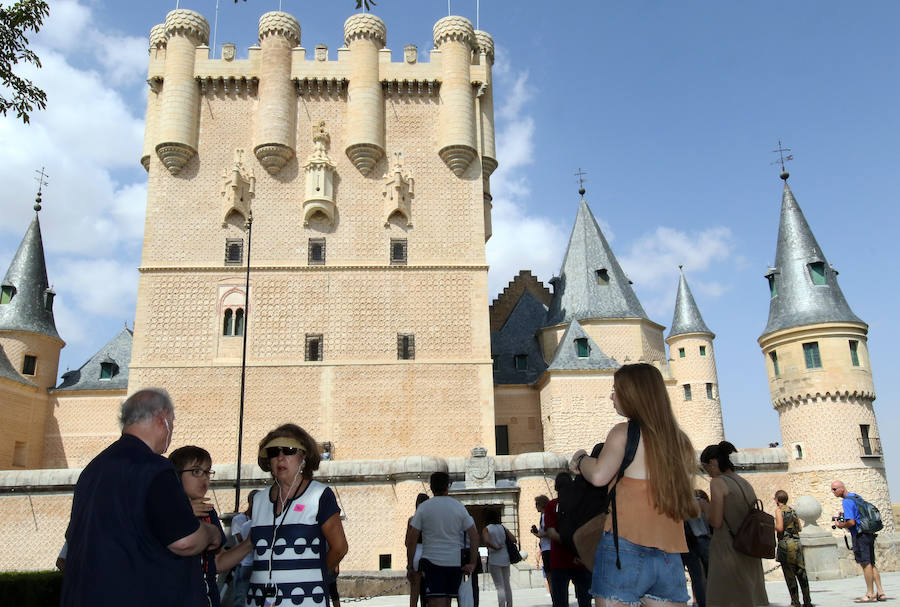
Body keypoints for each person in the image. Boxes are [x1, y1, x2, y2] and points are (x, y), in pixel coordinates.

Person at [61, 388, 223, 607]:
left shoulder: (92, 470)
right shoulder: (153, 469)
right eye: (172, 422)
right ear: (162, 418)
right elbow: (185, 542)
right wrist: (211, 533)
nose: (171, 430)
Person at [570, 363, 699, 607]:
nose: (612, 396)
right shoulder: (679, 440)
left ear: (633, 394)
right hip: (670, 552)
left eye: (616, 390)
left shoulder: (623, 433)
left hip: (624, 546)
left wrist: (580, 459)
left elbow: (599, 475)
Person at [217, 423, 349, 606]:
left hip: (306, 601)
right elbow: (249, 546)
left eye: (288, 450)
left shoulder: (320, 495)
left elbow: (340, 548)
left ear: (303, 457)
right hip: (259, 600)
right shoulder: (260, 500)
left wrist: (311, 576)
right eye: (274, 452)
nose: (280, 457)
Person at [700, 441, 768, 607]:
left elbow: (716, 521)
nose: (707, 474)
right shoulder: (745, 482)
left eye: (705, 468)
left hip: (728, 551)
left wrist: (703, 506)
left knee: (725, 600)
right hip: (750, 549)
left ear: (713, 463)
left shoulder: (718, 482)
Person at [405, 471, 479, 607]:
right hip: (454, 563)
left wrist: (410, 566)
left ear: (431, 488)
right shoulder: (458, 507)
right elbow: (474, 535)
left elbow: (412, 540)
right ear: (447, 486)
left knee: (437, 602)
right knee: (447, 602)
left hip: (432, 563)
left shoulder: (423, 508)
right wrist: (473, 563)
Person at [170, 445, 228, 607]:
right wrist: (185, 514)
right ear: (176, 475)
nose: (204, 478)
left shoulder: (208, 512)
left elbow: (218, 561)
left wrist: (249, 543)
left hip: (206, 595)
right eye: (196, 472)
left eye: (207, 472)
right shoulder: (164, 510)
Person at [831, 480, 887, 603]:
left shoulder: (846, 501)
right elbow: (859, 515)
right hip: (869, 533)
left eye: (834, 489)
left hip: (860, 535)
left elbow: (851, 522)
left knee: (865, 563)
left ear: (842, 488)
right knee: (871, 563)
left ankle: (870, 594)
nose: (833, 492)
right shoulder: (856, 497)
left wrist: (840, 525)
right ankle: (881, 592)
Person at [543, 473, 591, 607]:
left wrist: (565, 542)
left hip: (558, 560)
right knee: (585, 600)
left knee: (560, 601)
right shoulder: (581, 504)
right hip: (580, 559)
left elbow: (551, 532)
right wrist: (575, 548)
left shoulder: (551, 505)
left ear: (556, 487)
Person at [773, 490, 812, 607]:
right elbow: (799, 528)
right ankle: (807, 601)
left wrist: (772, 523)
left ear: (777, 500)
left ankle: (795, 602)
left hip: (786, 544)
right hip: (797, 543)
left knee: (790, 575)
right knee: (801, 573)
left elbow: (779, 528)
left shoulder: (779, 511)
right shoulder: (793, 510)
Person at [228, 490, 259, 607]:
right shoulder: (239, 519)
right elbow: (242, 540)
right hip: (244, 563)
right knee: (241, 596)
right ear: (251, 501)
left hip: (257, 563)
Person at [681, 490, 711, 607]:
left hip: (685, 542)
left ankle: (696, 601)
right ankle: (703, 602)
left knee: (695, 577)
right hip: (700, 539)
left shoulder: (676, 504)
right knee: (701, 576)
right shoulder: (699, 503)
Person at [482, 509, 514, 607]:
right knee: (507, 584)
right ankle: (509, 605)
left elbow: (486, 541)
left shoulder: (487, 529)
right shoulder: (503, 528)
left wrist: (495, 547)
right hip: (505, 558)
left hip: (494, 559)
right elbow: (514, 539)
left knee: (499, 586)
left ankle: (501, 605)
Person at [408, 493, 430, 607]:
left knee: (414, 593)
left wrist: (409, 565)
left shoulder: (412, 520)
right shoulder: (431, 520)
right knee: (430, 593)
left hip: (416, 552)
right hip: (429, 553)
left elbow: (408, 542)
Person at [531, 495, 552, 593]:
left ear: (541, 505)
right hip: (546, 548)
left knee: (549, 575)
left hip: (548, 549)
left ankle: (554, 595)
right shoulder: (545, 516)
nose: (535, 507)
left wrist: (538, 534)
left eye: (536, 504)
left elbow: (548, 532)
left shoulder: (545, 516)